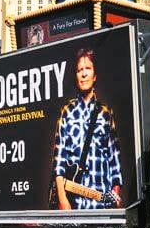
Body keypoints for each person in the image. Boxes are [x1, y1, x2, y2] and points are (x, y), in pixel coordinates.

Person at [52, 48, 123, 210]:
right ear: (76, 76)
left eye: (88, 69)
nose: (83, 74)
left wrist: (116, 192)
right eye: (79, 70)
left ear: (95, 75)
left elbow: (114, 157)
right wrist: (63, 200)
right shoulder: (67, 111)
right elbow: (59, 159)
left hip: (101, 200)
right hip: (74, 202)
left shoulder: (106, 112)